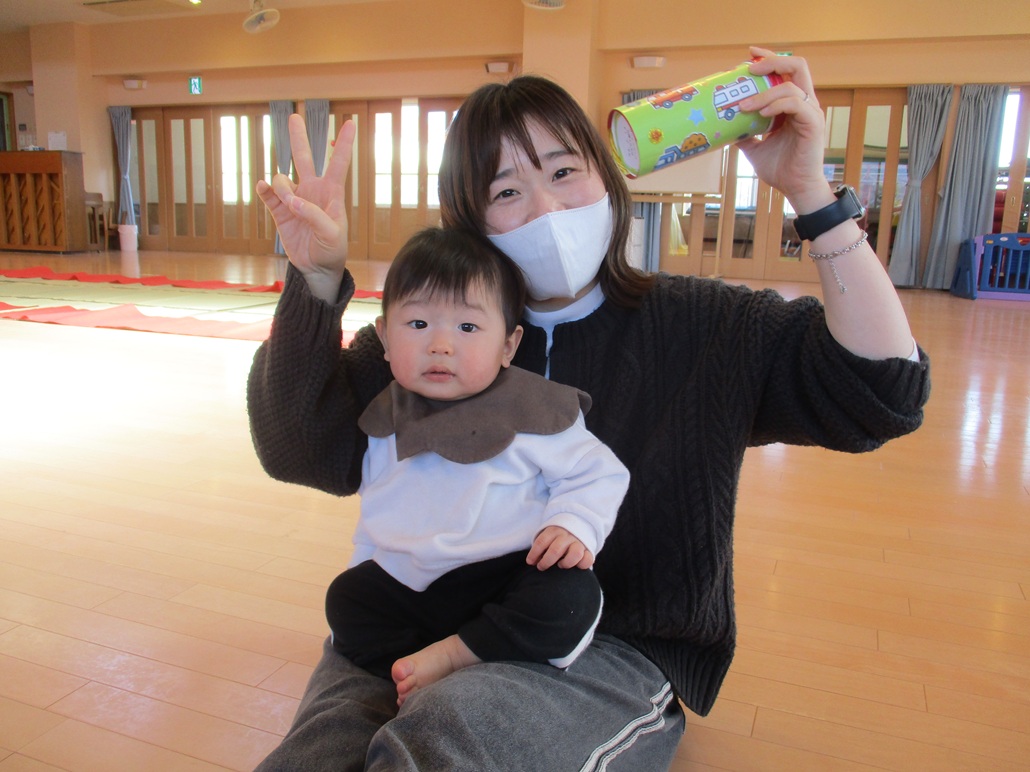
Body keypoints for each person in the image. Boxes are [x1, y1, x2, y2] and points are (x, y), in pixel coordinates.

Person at [249, 46, 930, 771]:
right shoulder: (435, 338)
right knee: (316, 757)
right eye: (506, 191)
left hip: (607, 643)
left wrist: (813, 197)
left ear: (606, 176)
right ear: (471, 220)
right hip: (412, 614)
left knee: (446, 741)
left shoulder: (705, 326)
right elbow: (299, 448)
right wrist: (314, 279)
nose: (546, 209)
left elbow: (880, 392)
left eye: (563, 172)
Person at [323, 226, 629, 708]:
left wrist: (572, 525)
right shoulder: (385, 416)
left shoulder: (535, 408)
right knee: (345, 601)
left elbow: (597, 472)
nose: (441, 345)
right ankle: (434, 662)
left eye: (467, 328)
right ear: (383, 337)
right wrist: (367, 568)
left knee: (569, 597)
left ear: (508, 346)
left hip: (504, 577)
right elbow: (377, 511)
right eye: (418, 324)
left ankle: (456, 656)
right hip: (415, 586)